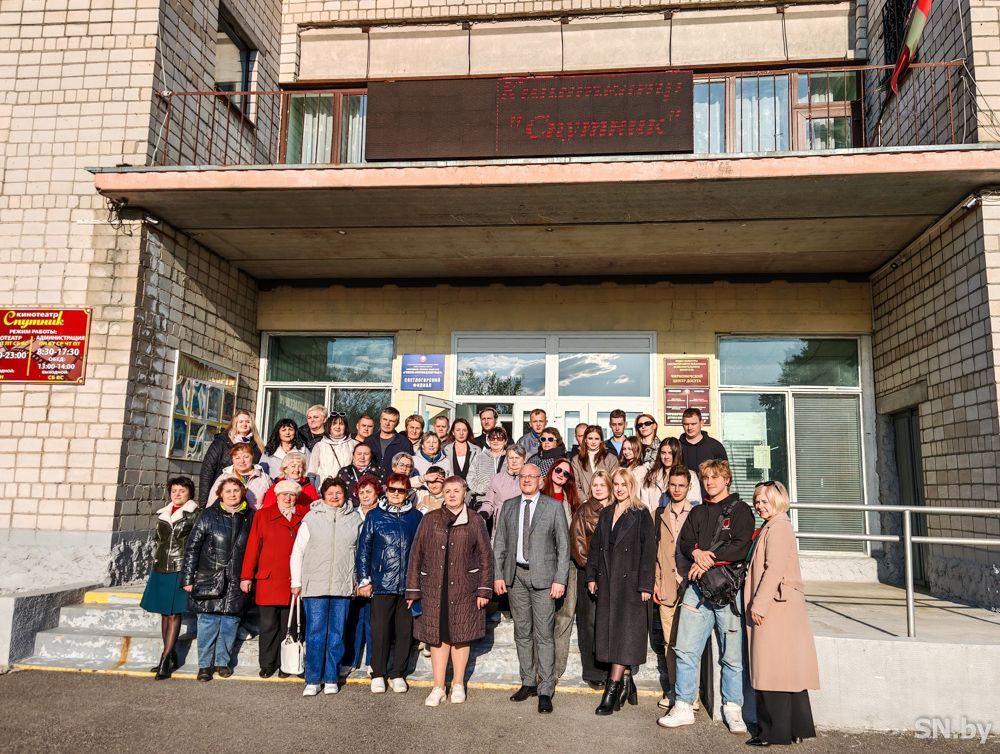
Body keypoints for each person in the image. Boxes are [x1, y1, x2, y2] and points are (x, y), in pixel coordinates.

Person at [658, 460, 753, 733]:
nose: (710, 482)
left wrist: (706, 560)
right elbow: (686, 542)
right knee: (685, 649)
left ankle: (733, 708)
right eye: (706, 478)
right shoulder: (698, 511)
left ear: (727, 479)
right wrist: (696, 554)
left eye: (715, 477)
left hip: (728, 591)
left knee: (731, 655)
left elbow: (740, 546)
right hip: (697, 589)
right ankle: (684, 704)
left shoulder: (741, 510)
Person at [406, 476, 493, 706]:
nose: (452, 495)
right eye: (448, 491)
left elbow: (485, 556)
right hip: (434, 588)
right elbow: (416, 554)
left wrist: (484, 590)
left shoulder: (475, 520)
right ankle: (438, 687)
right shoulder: (430, 519)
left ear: (465, 493)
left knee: (461, 636)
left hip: (465, 587)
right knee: (437, 637)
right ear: (443, 494)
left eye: (456, 491)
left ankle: (458, 684)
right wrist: (412, 590)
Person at [745, 480, 819, 747]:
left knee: (771, 671)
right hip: (781, 606)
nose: (759, 506)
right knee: (787, 672)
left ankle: (772, 733)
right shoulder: (776, 525)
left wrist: (759, 604)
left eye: (764, 501)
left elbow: (773, 569)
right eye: (757, 501)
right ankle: (796, 728)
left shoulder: (778, 527)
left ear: (777, 500)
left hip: (775, 607)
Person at [492, 463, 570, 715]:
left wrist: (560, 579)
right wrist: (498, 575)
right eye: (523, 476)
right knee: (522, 632)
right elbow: (500, 543)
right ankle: (528, 682)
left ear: (540, 480)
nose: (526, 480)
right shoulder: (509, 506)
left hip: (544, 579)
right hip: (515, 577)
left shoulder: (553, 506)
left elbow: (563, 546)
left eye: (531, 476)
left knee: (544, 634)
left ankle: (545, 689)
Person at [586, 468, 656, 715]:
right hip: (608, 582)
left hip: (631, 584)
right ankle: (627, 682)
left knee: (623, 637)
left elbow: (649, 551)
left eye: (623, 484)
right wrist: (592, 575)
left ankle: (612, 688)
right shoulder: (606, 513)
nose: (619, 489)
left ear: (631, 486)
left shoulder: (641, 513)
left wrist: (646, 585)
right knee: (613, 634)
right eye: (615, 484)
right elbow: (596, 546)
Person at [290, 477, 362, 696]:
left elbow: (360, 552)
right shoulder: (311, 518)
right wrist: (296, 582)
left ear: (345, 495)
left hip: (342, 585)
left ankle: (331, 676)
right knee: (315, 633)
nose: (334, 497)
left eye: (338, 493)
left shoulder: (354, 519)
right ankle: (313, 679)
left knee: (337, 634)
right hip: (315, 585)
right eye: (330, 493)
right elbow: (298, 551)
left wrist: (358, 580)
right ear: (323, 495)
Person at [181, 476, 254, 682]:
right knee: (207, 623)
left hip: (236, 579)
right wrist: (188, 578)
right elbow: (193, 547)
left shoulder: (251, 516)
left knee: (230, 623)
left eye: (236, 490)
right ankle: (204, 665)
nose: (232, 494)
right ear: (220, 494)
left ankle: (223, 662)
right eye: (228, 491)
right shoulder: (208, 515)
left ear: (242, 493)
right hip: (209, 578)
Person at [356, 472, 423, 694]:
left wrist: (418, 582)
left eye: (400, 490)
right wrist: (364, 580)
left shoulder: (416, 517)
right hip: (382, 582)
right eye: (392, 489)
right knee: (380, 631)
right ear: (386, 490)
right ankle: (378, 673)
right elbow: (364, 550)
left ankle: (397, 673)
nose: (396, 494)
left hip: (408, 584)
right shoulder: (375, 516)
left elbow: (421, 551)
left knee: (404, 631)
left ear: (407, 493)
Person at [240, 479, 309, 678]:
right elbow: (253, 546)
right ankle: (268, 663)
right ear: (277, 496)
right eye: (284, 494)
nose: (288, 498)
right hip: (269, 579)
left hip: (293, 580)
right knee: (268, 625)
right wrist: (246, 576)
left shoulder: (304, 515)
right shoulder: (263, 515)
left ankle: (286, 664)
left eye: (292, 495)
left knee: (290, 624)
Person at [141, 476, 199, 680]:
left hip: (180, 567)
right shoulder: (163, 513)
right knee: (164, 613)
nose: (177, 494)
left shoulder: (194, 514)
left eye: (182, 491)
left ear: (190, 493)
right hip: (160, 566)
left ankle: (165, 659)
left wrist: (191, 572)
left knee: (174, 613)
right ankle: (170, 653)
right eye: (174, 491)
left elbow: (196, 543)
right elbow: (159, 540)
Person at [652, 466, 695, 709]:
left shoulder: (697, 513)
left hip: (690, 585)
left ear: (689, 487)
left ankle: (691, 694)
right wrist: (656, 582)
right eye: (673, 485)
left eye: (681, 485)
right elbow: (654, 553)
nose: (677, 489)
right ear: (668, 486)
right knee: (669, 642)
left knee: (689, 644)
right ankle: (673, 689)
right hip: (666, 585)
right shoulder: (659, 514)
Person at [569, 469, 613, 688]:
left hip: (613, 575)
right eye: (595, 485)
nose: (598, 489)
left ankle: (611, 668)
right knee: (589, 623)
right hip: (590, 574)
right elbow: (577, 545)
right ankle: (593, 671)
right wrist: (593, 570)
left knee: (609, 622)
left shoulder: (617, 509)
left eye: (602, 485)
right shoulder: (584, 510)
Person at [542, 458, 580, 682]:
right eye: (558, 470)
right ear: (551, 470)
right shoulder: (539, 495)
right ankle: (542, 668)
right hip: (544, 562)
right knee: (543, 617)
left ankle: (556, 670)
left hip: (568, 563)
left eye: (566, 474)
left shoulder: (572, 500)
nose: (561, 475)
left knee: (565, 616)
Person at [344, 474, 382, 674]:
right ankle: (350, 659)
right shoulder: (351, 515)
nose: (365, 495)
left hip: (377, 573)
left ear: (377, 493)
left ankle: (373, 661)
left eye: (369, 491)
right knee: (355, 618)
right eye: (361, 492)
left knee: (374, 621)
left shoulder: (383, 513)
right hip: (354, 572)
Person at [199, 409, 263, 504]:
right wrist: (203, 503)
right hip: (222, 496)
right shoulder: (221, 442)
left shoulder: (257, 446)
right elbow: (207, 471)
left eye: (247, 422)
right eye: (241, 421)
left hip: (250, 498)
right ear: (235, 423)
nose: (244, 424)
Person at [638, 438, 701, 512]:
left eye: (670, 453)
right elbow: (645, 504)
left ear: (677, 454)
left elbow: (695, 504)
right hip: (654, 517)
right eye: (663, 453)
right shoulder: (651, 477)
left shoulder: (691, 476)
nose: (666, 457)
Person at [678, 408, 729, 498]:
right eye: (686, 424)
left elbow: (725, 475)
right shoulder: (676, 447)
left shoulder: (715, 446)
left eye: (693, 424)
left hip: (710, 499)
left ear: (701, 423)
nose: (689, 428)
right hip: (682, 498)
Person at [208, 442, 272, 509]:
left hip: (256, 515)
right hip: (229, 515)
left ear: (252, 456)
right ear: (232, 459)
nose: (242, 461)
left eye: (246, 457)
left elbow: (271, 504)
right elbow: (211, 505)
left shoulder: (264, 479)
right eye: (237, 458)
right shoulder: (224, 478)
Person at [570, 425, 619, 503]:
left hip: (607, 503)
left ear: (601, 440)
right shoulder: (576, 460)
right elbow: (575, 485)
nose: (593, 442)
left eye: (596, 439)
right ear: (585, 439)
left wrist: (608, 503)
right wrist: (586, 502)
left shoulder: (611, 459)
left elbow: (615, 483)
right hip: (586, 503)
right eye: (590, 438)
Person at [480, 445, 526, 527]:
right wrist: (483, 513)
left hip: (521, 524)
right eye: (511, 458)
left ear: (524, 459)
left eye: (517, 458)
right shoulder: (497, 478)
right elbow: (489, 503)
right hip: (500, 525)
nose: (514, 461)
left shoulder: (530, 479)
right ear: (507, 459)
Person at [308, 412, 356, 490]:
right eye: (334, 424)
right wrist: (314, 491)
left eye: (341, 424)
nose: (338, 427)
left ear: (345, 427)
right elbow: (312, 472)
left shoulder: (354, 444)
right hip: (324, 490)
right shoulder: (319, 445)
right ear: (329, 426)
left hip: (346, 489)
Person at [467, 427, 509, 508]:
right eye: (492, 438)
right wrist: (486, 489)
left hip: (505, 503)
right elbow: (470, 479)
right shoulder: (479, 458)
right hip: (483, 501)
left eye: (499, 438)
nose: (495, 441)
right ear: (488, 440)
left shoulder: (510, 458)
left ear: (505, 441)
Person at [443, 418, 481, 483]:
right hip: (452, 487)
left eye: (464, 430)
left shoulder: (477, 450)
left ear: (468, 432)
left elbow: (480, 472)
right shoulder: (446, 450)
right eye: (458, 430)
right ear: (453, 432)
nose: (461, 433)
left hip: (472, 488)